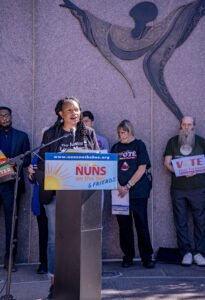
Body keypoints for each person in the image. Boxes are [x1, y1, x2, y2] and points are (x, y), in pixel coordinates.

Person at [36, 97, 99, 300]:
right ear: (60, 114)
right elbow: (42, 163)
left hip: (83, 197)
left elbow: (97, 163)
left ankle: (81, 283)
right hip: (56, 196)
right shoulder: (51, 135)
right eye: (70, 110)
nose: (75, 113)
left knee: (82, 238)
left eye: (77, 110)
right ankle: (55, 284)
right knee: (56, 239)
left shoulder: (88, 133)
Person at [111, 120, 154, 268]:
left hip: (138, 192)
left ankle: (147, 257)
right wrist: (118, 186)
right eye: (120, 132)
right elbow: (109, 168)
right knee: (124, 226)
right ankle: (128, 256)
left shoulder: (139, 145)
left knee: (141, 224)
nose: (122, 135)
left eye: (124, 132)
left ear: (130, 131)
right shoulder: (115, 148)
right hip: (119, 193)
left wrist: (128, 186)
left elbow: (142, 168)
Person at [164, 116, 205, 266]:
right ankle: (186, 252)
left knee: (200, 221)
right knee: (180, 222)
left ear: (193, 126)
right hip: (178, 189)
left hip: (198, 188)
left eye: (189, 125)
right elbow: (166, 163)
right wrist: (179, 171)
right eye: (184, 125)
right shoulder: (173, 142)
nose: (187, 127)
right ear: (180, 126)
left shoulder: (201, 141)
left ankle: (200, 253)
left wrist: (196, 169)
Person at [0, 106, 30, 272]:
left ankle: (10, 260)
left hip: (13, 185)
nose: (4, 118)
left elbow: (28, 160)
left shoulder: (22, 136)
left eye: (6, 115)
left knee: (12, 224)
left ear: (11, 116)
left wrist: (17, 162)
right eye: (1, 116)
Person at [28, 127, 49, 274]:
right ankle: (43, 263)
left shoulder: (59, 153)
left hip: (56, 199)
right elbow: (32, 180)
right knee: (43, 233)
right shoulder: (37, 154)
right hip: (40, 198)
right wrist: (31, 174)